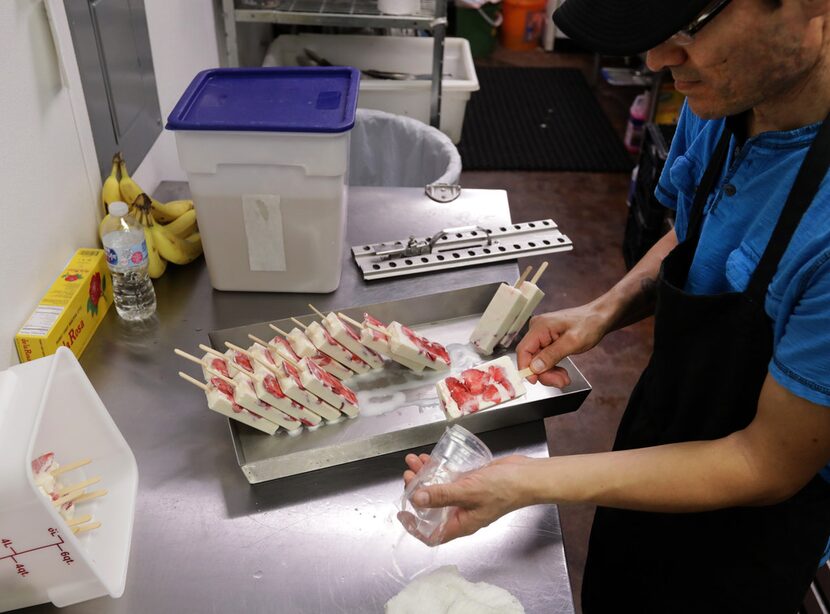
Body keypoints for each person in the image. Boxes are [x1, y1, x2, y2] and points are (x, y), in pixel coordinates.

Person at [401, 0, 830, 611]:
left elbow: (767, 463)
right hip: (660, 431)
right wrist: (603, 311)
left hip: (752, 528)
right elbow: (701, 230)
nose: (659, 60)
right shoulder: (724, 96)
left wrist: (529, 483)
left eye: (687, 29)